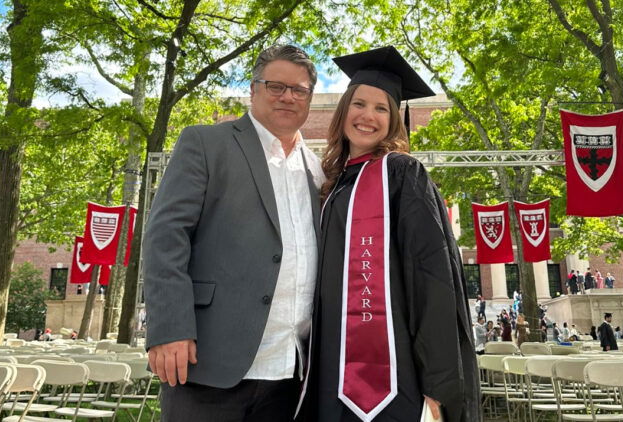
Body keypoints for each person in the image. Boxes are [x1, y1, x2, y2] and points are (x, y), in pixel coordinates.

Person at [142, 45, 324, 421]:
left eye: (299, 89)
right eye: (275, 86)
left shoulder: (319, 170)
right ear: (253, 89)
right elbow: (165, 237)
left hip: (293, 372)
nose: (288, 96)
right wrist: (169, 328)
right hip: (207, 362)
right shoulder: (207, 144)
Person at [298, 46, 479, 422]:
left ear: (395, 119)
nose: (368, 116)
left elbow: (433, 279)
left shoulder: (401, 175)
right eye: (359, 104)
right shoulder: (331, 184)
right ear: (343, 110)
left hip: (394, 375)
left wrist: (439, 383)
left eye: (382, 108)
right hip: (332, 362)